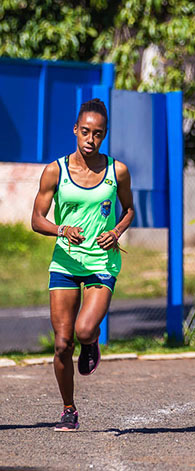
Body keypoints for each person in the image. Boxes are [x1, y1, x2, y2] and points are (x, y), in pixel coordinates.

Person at [30, 98, 135, 431]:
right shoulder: (55, 171)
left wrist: (116, 229)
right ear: (75, 130)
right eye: (86, 132)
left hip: (102, 261)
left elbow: (130, 209)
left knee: (85, 329)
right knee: (62, 344)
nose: (91, 139)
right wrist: (61, 229)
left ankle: (91, 342)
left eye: (98, 134)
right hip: (65, 261)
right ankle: (68, 408)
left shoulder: (117, 171)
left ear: (105, 135)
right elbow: (36, 218)